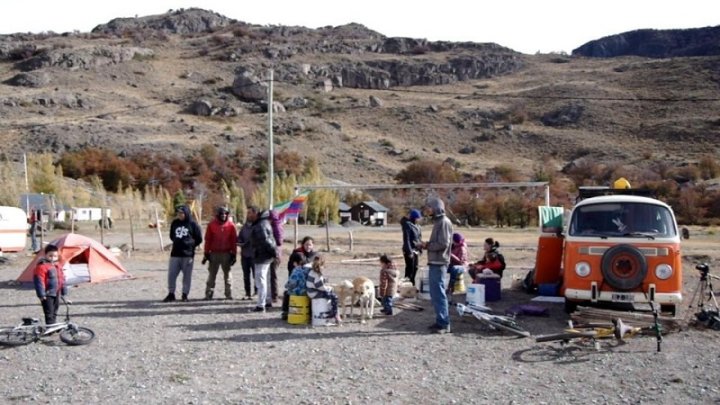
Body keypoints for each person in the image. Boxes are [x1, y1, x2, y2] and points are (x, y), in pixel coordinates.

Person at [421, 196, 453, 334]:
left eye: (429, 207)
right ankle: (440, 321)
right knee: (435, 294)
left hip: (439, 262)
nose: (427, 210)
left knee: (439, 294)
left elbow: (443, 243)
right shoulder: (439, 222)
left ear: (436, 208)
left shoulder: (444, 222)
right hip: (435, 261)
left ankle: (444, 324)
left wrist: (427, 245)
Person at [163, 205, 203, 302]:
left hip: (187, 255)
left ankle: (185, 294)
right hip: (175, 253)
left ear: (186, 213)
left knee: (187, 276)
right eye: (178, 213)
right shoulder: (175, 223)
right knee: (171, 275)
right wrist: (178, 242)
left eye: (182, 213)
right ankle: (171, 293)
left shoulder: (193, 224)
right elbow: (172, 236)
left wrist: (190, 244)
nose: (180, 215)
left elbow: (199, 238)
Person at [247, 206, 278, 312]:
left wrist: (274, 253)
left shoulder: (260, 225)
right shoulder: (263, 223)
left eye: (250, 213)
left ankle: (261, 305)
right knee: (266, 280)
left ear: (255, 213)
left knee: (261, 281)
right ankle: (267, 301)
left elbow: (266, 242)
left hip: (262, 256)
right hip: (266, 256)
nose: (248, 215)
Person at [203, 206, 238, 300]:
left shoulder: (231, 226)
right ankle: (208, 293)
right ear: (217, 215)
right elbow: (208, 240)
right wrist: (206, 253)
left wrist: (234, 254)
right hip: (214, 253)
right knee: (211, 275)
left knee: (228, 275)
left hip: (226, 253)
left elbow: (233, 241)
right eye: (221, 214)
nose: (223, 215)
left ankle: (228, 294)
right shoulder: (211, 225)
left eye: (225, 214)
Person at [33, 244, 67, 325]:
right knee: (49, 312)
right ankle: (50, 327)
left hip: (57, 292)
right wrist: (41, 294)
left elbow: (62, 279)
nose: (52, 258)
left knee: (55, 310)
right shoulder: (42, 266)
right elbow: (39, 281)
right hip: (47, 294)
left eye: (55, 256)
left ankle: (53, 325)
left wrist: (64, 291)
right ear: (46, 255)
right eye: (50, 256)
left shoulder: (58, 266)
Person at [305, 255, 342, 325]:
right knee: (334, 297)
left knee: (330, 294)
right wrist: (329, 287)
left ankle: (334, 313)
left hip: (311, 291)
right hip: (314, 293)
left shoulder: (312, 272)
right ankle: (335, 315)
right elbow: (320, 287)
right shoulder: (317, 274)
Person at [400, 209, 423, 285]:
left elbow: (419, 238)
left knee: (415, 267)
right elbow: (406, 239)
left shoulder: (418, 226)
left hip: (416, 249)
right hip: (409, 249)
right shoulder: (407, 225)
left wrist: (420, 249)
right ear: (414, 218)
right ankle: (407, 285)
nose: (418, 220)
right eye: (417, 218)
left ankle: (412, 283)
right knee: (410, 268)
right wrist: (409, 251)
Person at [236, 217, 256, 300]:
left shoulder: (257, 227)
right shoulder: (244, 228)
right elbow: (239, 238)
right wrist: (240, 242)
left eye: (250, 214)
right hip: (245, 255)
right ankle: (247, 293)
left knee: (256, 275)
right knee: (246, 275)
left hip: (254, 255)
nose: (249, 216)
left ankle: (257, 292)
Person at [268, 210, 284, 304]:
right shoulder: (275, 225)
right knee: (271, 275)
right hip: (274, 253)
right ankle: (272, 294)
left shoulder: (276, 226)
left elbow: (279, 241)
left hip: (275, 254)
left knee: (273, 276)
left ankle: (274, 295)